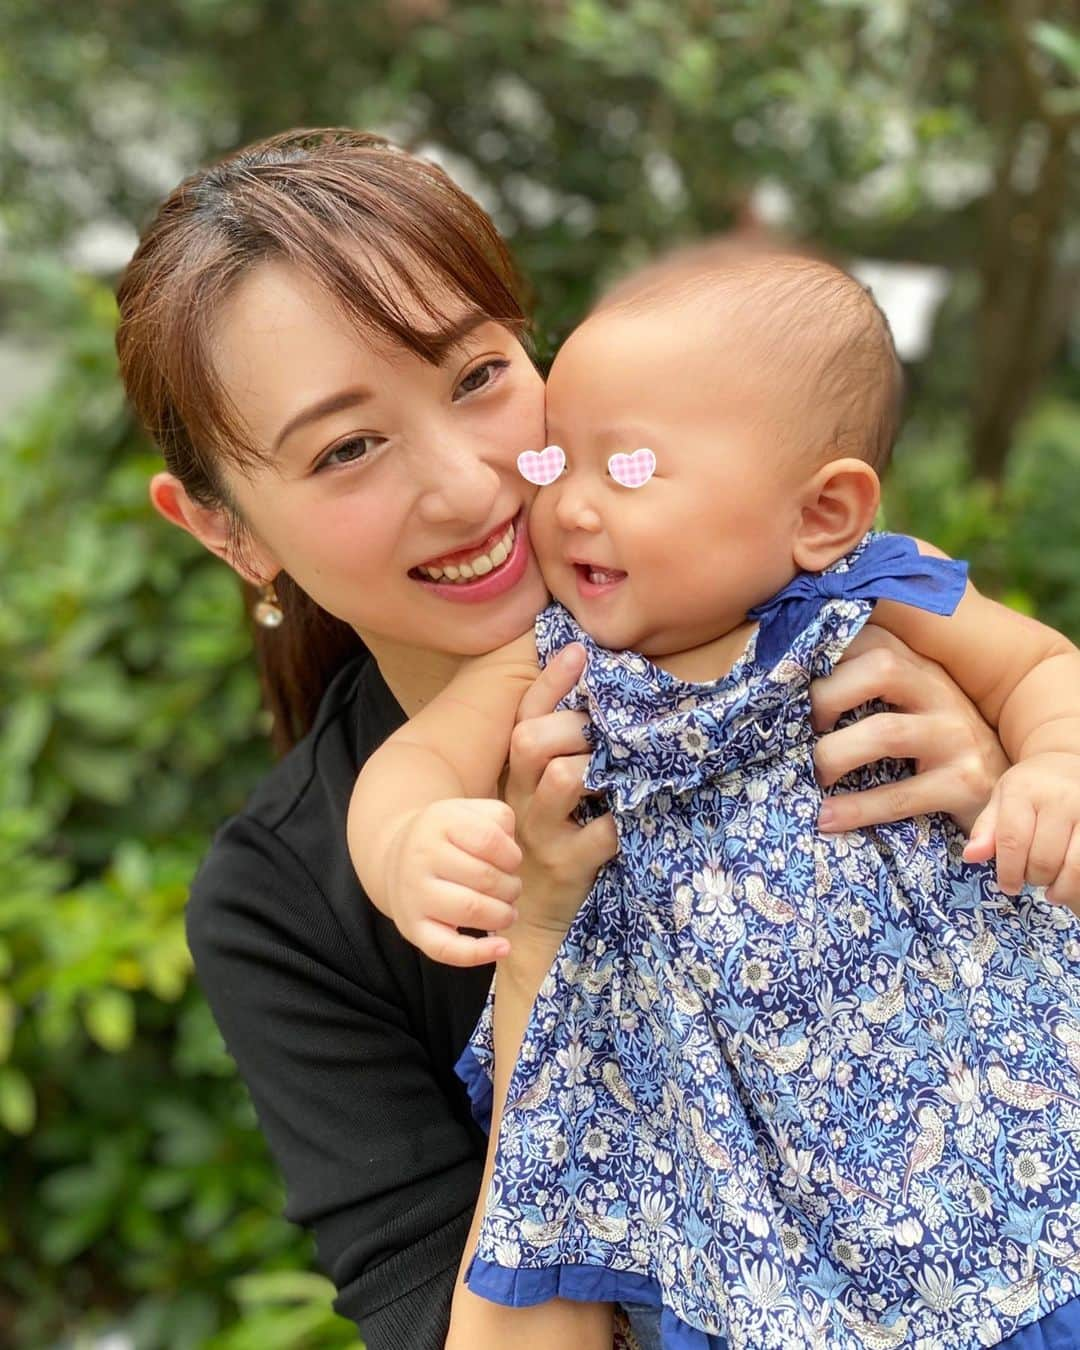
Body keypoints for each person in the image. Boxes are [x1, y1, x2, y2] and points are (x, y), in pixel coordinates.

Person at [116, 128, 1026, 1349]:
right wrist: (542, 941)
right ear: (228, 534)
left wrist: (1007, 784)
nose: (469, 485)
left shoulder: (774, 585)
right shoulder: (286, 900)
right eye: (346, 448)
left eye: (477, 377)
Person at [349, 251, 1080, 1349]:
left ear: (824, 511)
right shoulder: (556, 665)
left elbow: (1038, 670)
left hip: (972, 1104)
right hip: (725, 1151)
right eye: (559, 467)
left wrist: (1055, 767)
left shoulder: (872, 587)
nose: (572, 508)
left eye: (630, 469)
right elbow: (412, 765)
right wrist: (410, 843)